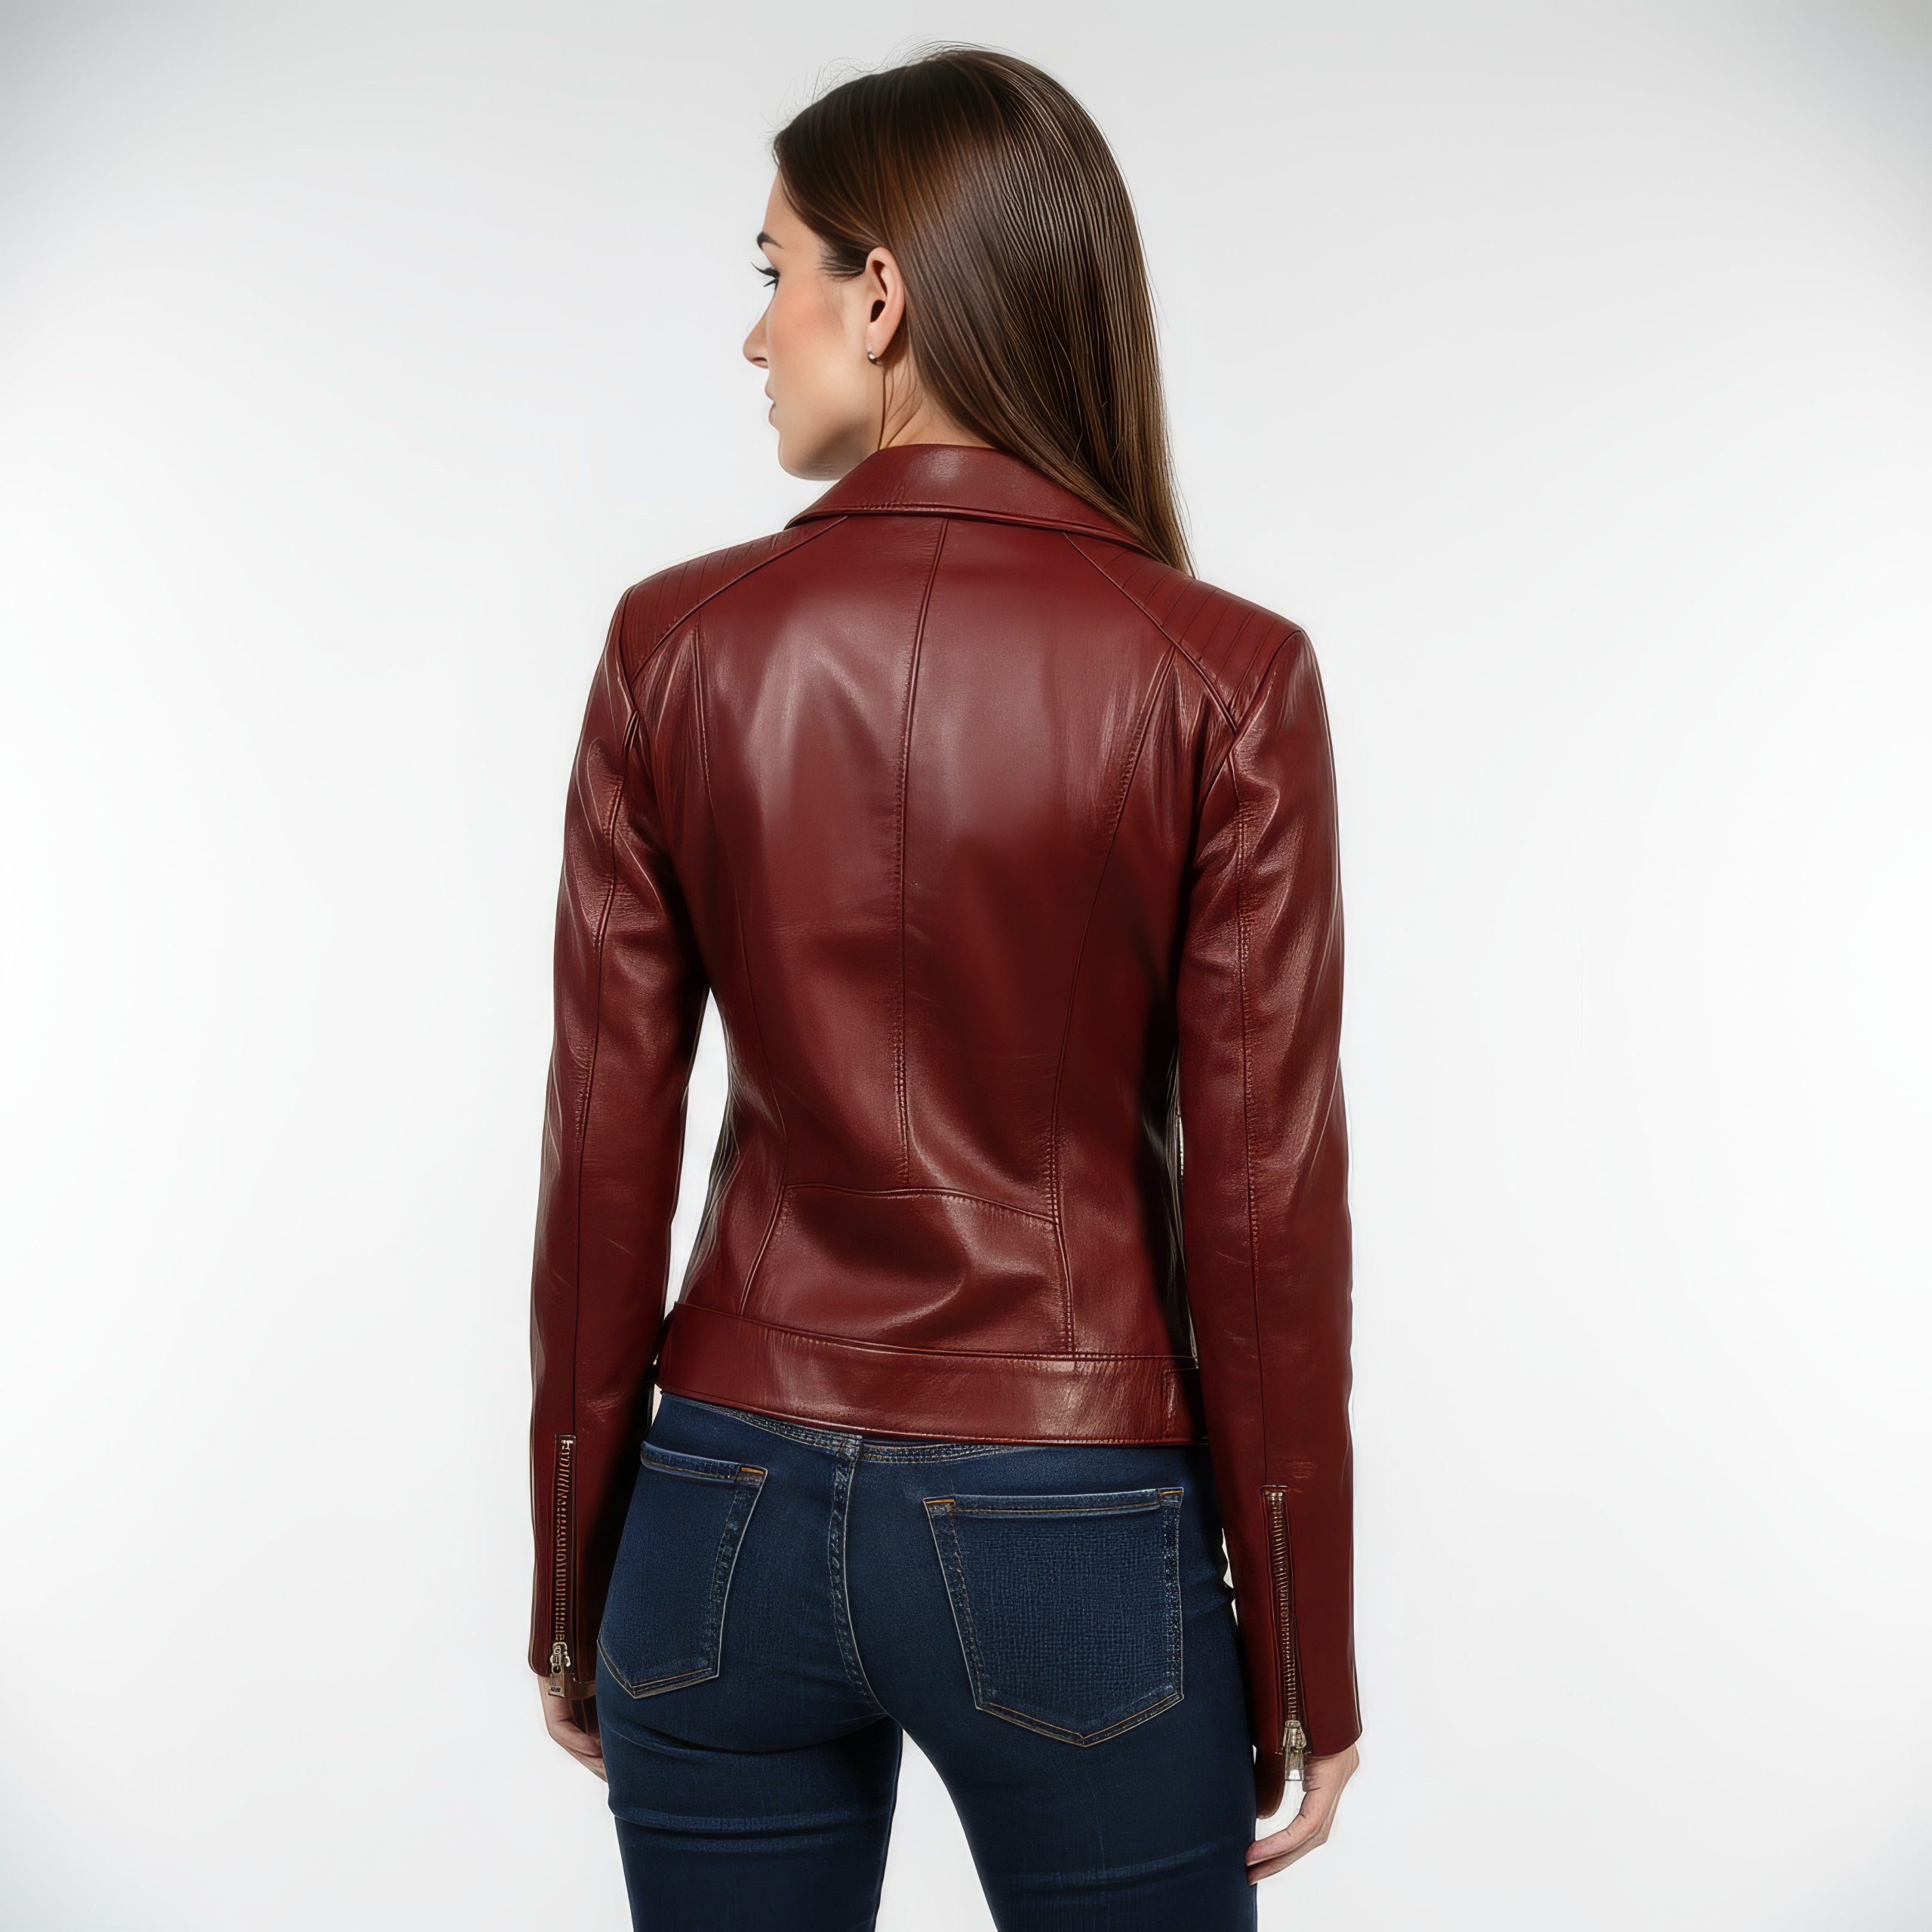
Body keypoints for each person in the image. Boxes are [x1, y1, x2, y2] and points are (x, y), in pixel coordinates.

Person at [525, 43, 1361, 1930]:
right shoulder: (1223, 676)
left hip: (716, 1515)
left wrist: (573, 1582)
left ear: (881, 293)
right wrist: (1305, 1657)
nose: (756, 336)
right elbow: (1260, 1212)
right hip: (1071, 1534)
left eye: (774, 275)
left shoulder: (670, 646)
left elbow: (599, 1157)